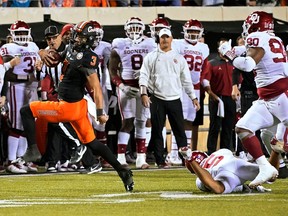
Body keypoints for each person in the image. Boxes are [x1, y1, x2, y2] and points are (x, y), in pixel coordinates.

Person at [20, 20, 134, 192]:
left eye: (80, 37)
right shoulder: (72, 49)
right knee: (95, 145)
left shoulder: (88, 58)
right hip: (77, 107)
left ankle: (35, 150)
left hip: (68, 107)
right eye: (76, 35)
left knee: (26, 111)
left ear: (89, 40)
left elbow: (96, 88)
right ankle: (123, 171)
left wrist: (100, 112)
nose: (75, 38)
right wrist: (42, 53)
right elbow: (54, 58)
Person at [218, 11, 287, 187]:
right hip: (268, 98)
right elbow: (246, 50)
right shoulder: (273, 39)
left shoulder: (257, 37)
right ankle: (265, 167)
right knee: (243, 128)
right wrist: (231, 50)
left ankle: (276, 163)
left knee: (281, 144)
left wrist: (229, 55)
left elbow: (248, 65)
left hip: (281, 96)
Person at [139, 28, 200, 168]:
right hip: (157, 98)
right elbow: (144, 76)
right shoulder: (151, 57)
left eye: (167, 37)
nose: (165, 40)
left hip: (174, 98)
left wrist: (193, 97)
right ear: (158, 39)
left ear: (172, 39)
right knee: (157, 131)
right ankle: (160, 160)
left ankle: (186, 159)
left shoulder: (179, 58)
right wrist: (144, 93)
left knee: (179, 130)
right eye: (162, 37)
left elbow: (186, 80)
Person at [109, 17, 156, 169]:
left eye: (137, 27)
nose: (134, 31)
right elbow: (112, 70)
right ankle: (120, 157)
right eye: (131, 28)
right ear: (125, 29)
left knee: (142, 121)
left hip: (144, 87)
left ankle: (141, 158)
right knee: (127, 122)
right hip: (127, 87)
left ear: (143, 29)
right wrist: (121, 86)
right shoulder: (120, 44)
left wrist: (147, 76)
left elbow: (156, 65)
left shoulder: (150, 44)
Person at [169, 19, 211, 165]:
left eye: (195, 31)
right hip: (179, 86)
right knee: (178, 119)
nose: (193, 34)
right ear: (185, 32)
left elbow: (204, 69)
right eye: (190, 31)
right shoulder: (178, 44)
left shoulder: (204, 47)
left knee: (189, 121)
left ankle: (183, 153)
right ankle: (173, 153)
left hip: (195, 88)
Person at [0, 20, 40, 174]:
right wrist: (25, 78)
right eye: (19, 33)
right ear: (12, 34)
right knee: (16, 123)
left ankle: (20, 159)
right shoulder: (7, 48)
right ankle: (10, 161)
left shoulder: (33, 46)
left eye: (24, 32)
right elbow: (5, 73)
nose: (22, 35)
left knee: (26, 124)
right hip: (16, 87)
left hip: (31, 87)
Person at [179, 147, 280, 194]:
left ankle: (189, 158)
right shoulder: (219, 152)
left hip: (221, 173)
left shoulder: (200, 176)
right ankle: (275, 150)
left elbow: (212, 185)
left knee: (218, 189)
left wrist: (190, 160)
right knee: (270, 174)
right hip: (235, 164)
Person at [205, 38, 236, 155]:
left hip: (230, 98)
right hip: (216, 98)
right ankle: (211, 151)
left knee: (228, 126)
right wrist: (212, 95)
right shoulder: (212, 63)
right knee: (215, 125)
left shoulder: (234, 63)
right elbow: (206, 81)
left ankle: (226, 152)